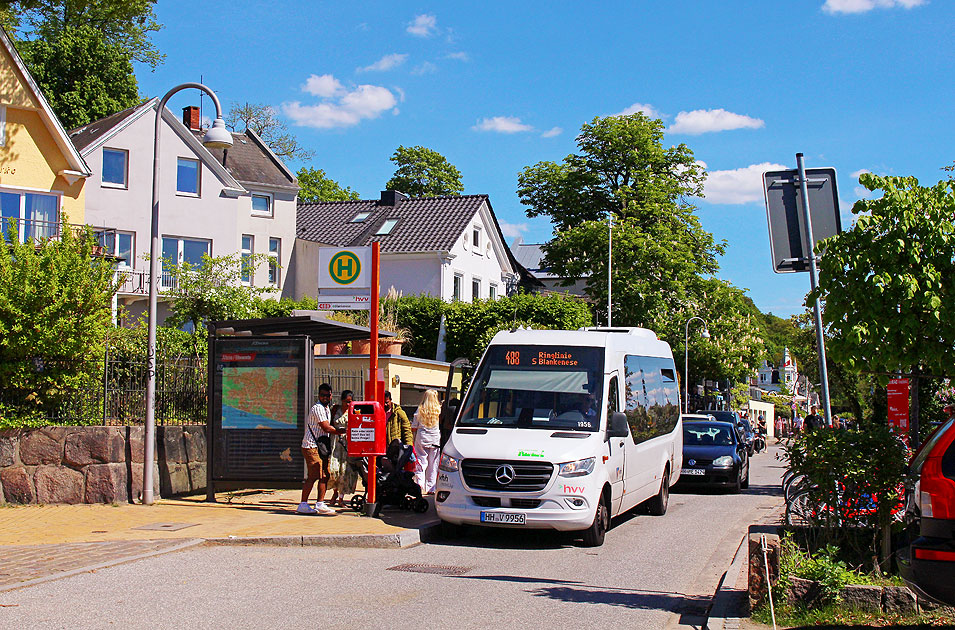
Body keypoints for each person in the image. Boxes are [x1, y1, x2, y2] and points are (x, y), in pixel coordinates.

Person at [298, 383, 345, 515]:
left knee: (325, 475)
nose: (325, 397)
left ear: (331, 395)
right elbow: (326, 428)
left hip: (322, 446)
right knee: (314, 475)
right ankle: (303, 504)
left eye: (327, 395)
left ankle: (320, 503)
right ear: (318, 395)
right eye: (322, 395)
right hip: (311, 445)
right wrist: (344, 431)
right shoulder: (317, 408)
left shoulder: (327, 408)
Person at [328, 390, 357, 508]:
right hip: (335, 443)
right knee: (334, 470)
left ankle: (341, 497)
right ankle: (334, 492)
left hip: (347, 444)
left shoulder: (354, 411)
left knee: (345, 471)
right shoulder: (335, 410)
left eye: (350, 402)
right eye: (346, 402)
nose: (348, 404)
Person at [412, 389, 442, 495]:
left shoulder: (420, 409)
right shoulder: (438, 410)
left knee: (421, 462)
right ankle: (431, 488)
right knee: (433, 464)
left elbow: (414, 426)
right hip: (435, 439)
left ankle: (419, 485)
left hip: (422, 438)